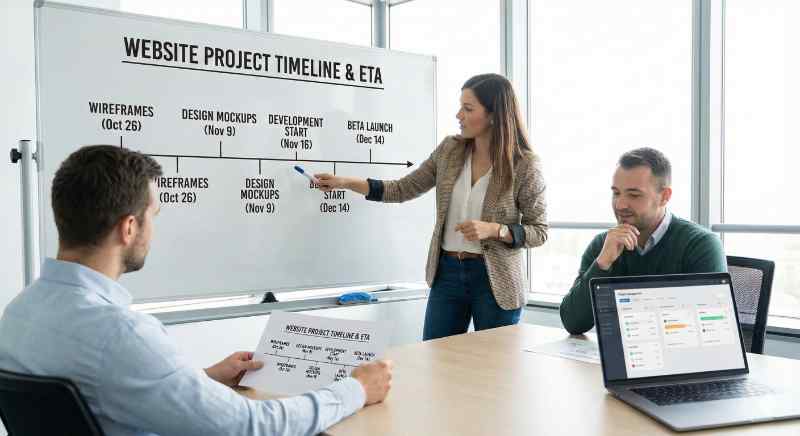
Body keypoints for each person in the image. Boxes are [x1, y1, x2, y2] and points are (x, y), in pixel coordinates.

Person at [0, 145, 393, 436]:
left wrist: (203, 378)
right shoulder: (119, 334)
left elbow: (104, 392)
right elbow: (249, 427)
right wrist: (354, 390)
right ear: (129, 227)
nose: (154, 229)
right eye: (155, 215)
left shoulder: (19, 314)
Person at [315, 74, 548, 340]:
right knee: (435, 362)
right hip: (447, 274)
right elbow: (402, 188)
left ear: (494, 115)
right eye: (460, 106)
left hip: (496, 280)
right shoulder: (450, 150)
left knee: (496, 368)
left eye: (468, 108)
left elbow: (539, 231)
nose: (458, 115)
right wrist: (345, 182)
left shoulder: (525, 164)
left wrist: (496, 230)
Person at [559, 147, 727, 335]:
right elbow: (573, 323)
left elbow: (710, 330)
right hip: (619, 358)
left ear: (664, 196)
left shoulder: (701, 245)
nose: (620, 205)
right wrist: (603, 264)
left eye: (634, 195)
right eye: (616, 193)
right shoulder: (604, 245)